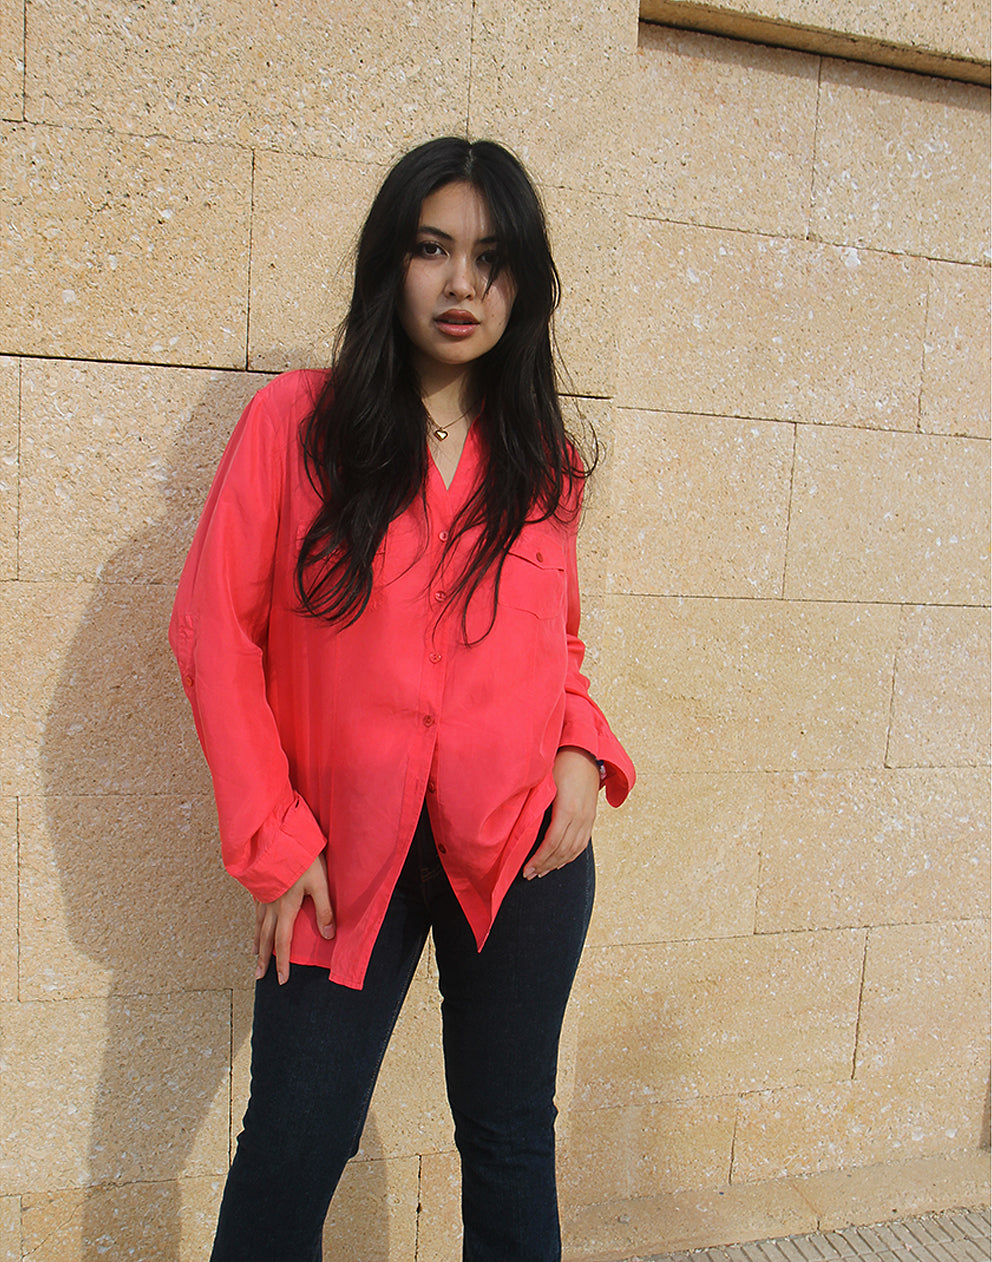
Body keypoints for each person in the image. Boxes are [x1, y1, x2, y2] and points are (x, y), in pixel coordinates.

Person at [169, 136, 635, 1262]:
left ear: (521, 281)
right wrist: (273, 841)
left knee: (511, 1137)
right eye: (432, 248)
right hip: (337, 857)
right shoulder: (296, 425)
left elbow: (554, 645)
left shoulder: (543, 464)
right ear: (393, 262)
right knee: (291, 1142)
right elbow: (212, 634)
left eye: (490, 255)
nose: (461, 281)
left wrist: (581, 749)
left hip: (518, 850)